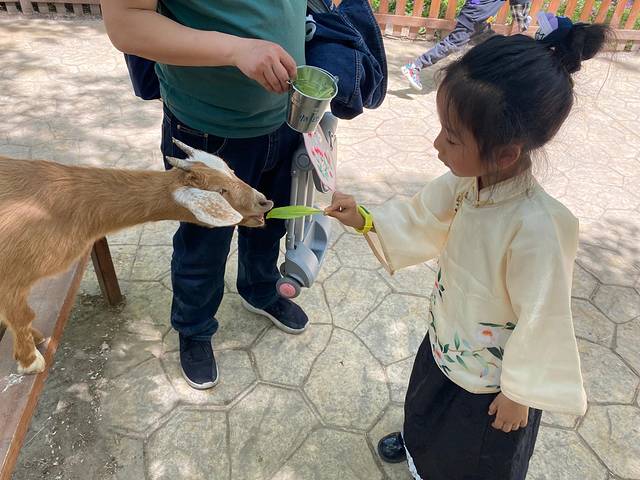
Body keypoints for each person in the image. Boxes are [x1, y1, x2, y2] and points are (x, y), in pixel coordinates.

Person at [326, 18, 609, 480]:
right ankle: (418, 449)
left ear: (506, 153)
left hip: (493, 380)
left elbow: (544, 316)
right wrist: (365, 219)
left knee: (471, 451)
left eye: (452, 137)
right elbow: (421, 217)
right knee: (428, 406)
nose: (437, 144)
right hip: (449, 335)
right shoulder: (465, 183)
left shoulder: (539, 227)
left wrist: (518, 392)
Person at [101, 0, 309, 390]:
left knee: (269, 223)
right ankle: (194, 327)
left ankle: (259, 290)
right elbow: (126, 23)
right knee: (204, 244)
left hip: (286, 118)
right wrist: (237, 49)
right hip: (207, 129)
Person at [401, 0, 532, 91]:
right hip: (475, 17)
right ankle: (415, 66)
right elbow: (519, 6)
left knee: (494, 43)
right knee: (451, 44)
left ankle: (493, 76)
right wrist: (524, 22)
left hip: (477, 16)